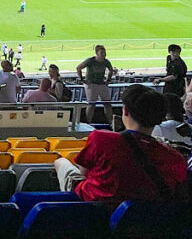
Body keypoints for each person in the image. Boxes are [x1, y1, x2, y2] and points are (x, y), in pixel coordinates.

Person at [54, 85, 188, 209]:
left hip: (95, 207)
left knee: (60, 161)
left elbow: (83, 174)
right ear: (160, 118)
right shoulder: (175, 158)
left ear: (125, 111)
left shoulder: (101, 139)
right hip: (147, 223)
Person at [77, 45, 114, 124]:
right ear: (96, 53)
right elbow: (78, 68)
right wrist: (82, 79)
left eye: (104, 52)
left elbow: (111, 70)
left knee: (107, 103)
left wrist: (108, 80)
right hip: (91, 85)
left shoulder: (106, 61)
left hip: (101, 84)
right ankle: (88, 123)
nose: (104, 54)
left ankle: (111, 122)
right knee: (91, 104)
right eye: (102, 53)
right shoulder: (90, 61)